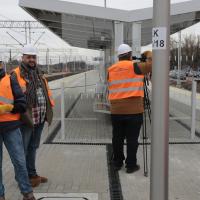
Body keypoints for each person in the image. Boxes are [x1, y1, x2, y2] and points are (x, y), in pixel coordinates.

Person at [11, 44, 55, 187]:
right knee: (22, 149)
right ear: (22, 58)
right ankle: (22, 179)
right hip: (26, 119)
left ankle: (32, 174)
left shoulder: (39, 73)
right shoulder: (16, 74)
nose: (31, 59)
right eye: (28, 57)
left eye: (33, 57)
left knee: (33, 147)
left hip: (40, 118)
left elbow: (45, 93)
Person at [107, 44, 152, 173]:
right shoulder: (136, 67)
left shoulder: (110, 69)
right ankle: (131, 165)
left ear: (119, 56)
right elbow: (154, 64)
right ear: (130, 55)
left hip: (116, 110)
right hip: (134, 110)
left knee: (117, 138)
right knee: (132, 139)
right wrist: (147, 54)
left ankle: (117, 163)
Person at [0, 58, 36, 199]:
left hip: (11, 128)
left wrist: (9, 108)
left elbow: (22, 104)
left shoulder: (10, 80)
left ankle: (27, 194)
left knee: (19, 161)